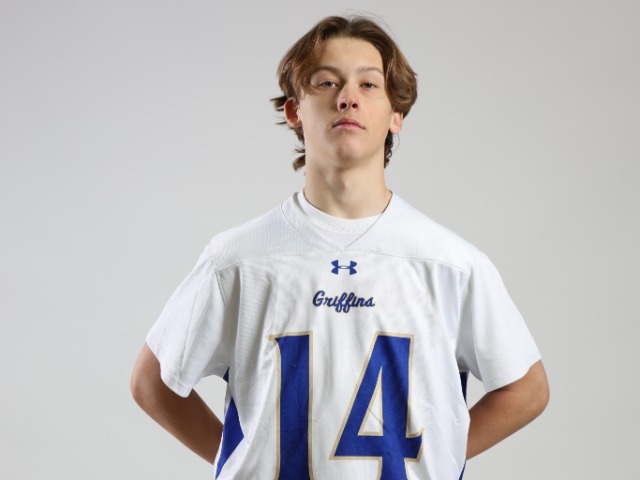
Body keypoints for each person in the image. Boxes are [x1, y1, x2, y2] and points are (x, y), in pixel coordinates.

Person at [131, 15, 549, 479]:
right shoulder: (238, 260)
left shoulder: (450, 263)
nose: (347, 97)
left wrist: (442, 449)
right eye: (327, 82)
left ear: (396, 116)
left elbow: (527, 389)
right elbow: (153, 382)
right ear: (295, 111)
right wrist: (240, 458)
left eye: (369, 84)